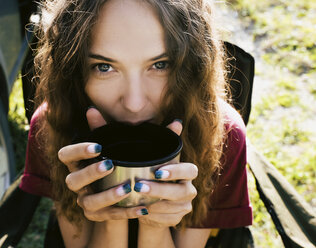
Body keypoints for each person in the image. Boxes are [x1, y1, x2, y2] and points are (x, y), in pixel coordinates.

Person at [19, 0, 252, 247]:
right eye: (104, 67)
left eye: (160, 65)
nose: (134, 103)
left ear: (192, 66)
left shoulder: (223, 134)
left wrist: (155, 226)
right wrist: (111, 219)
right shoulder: (53, 125)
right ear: (73, 70)